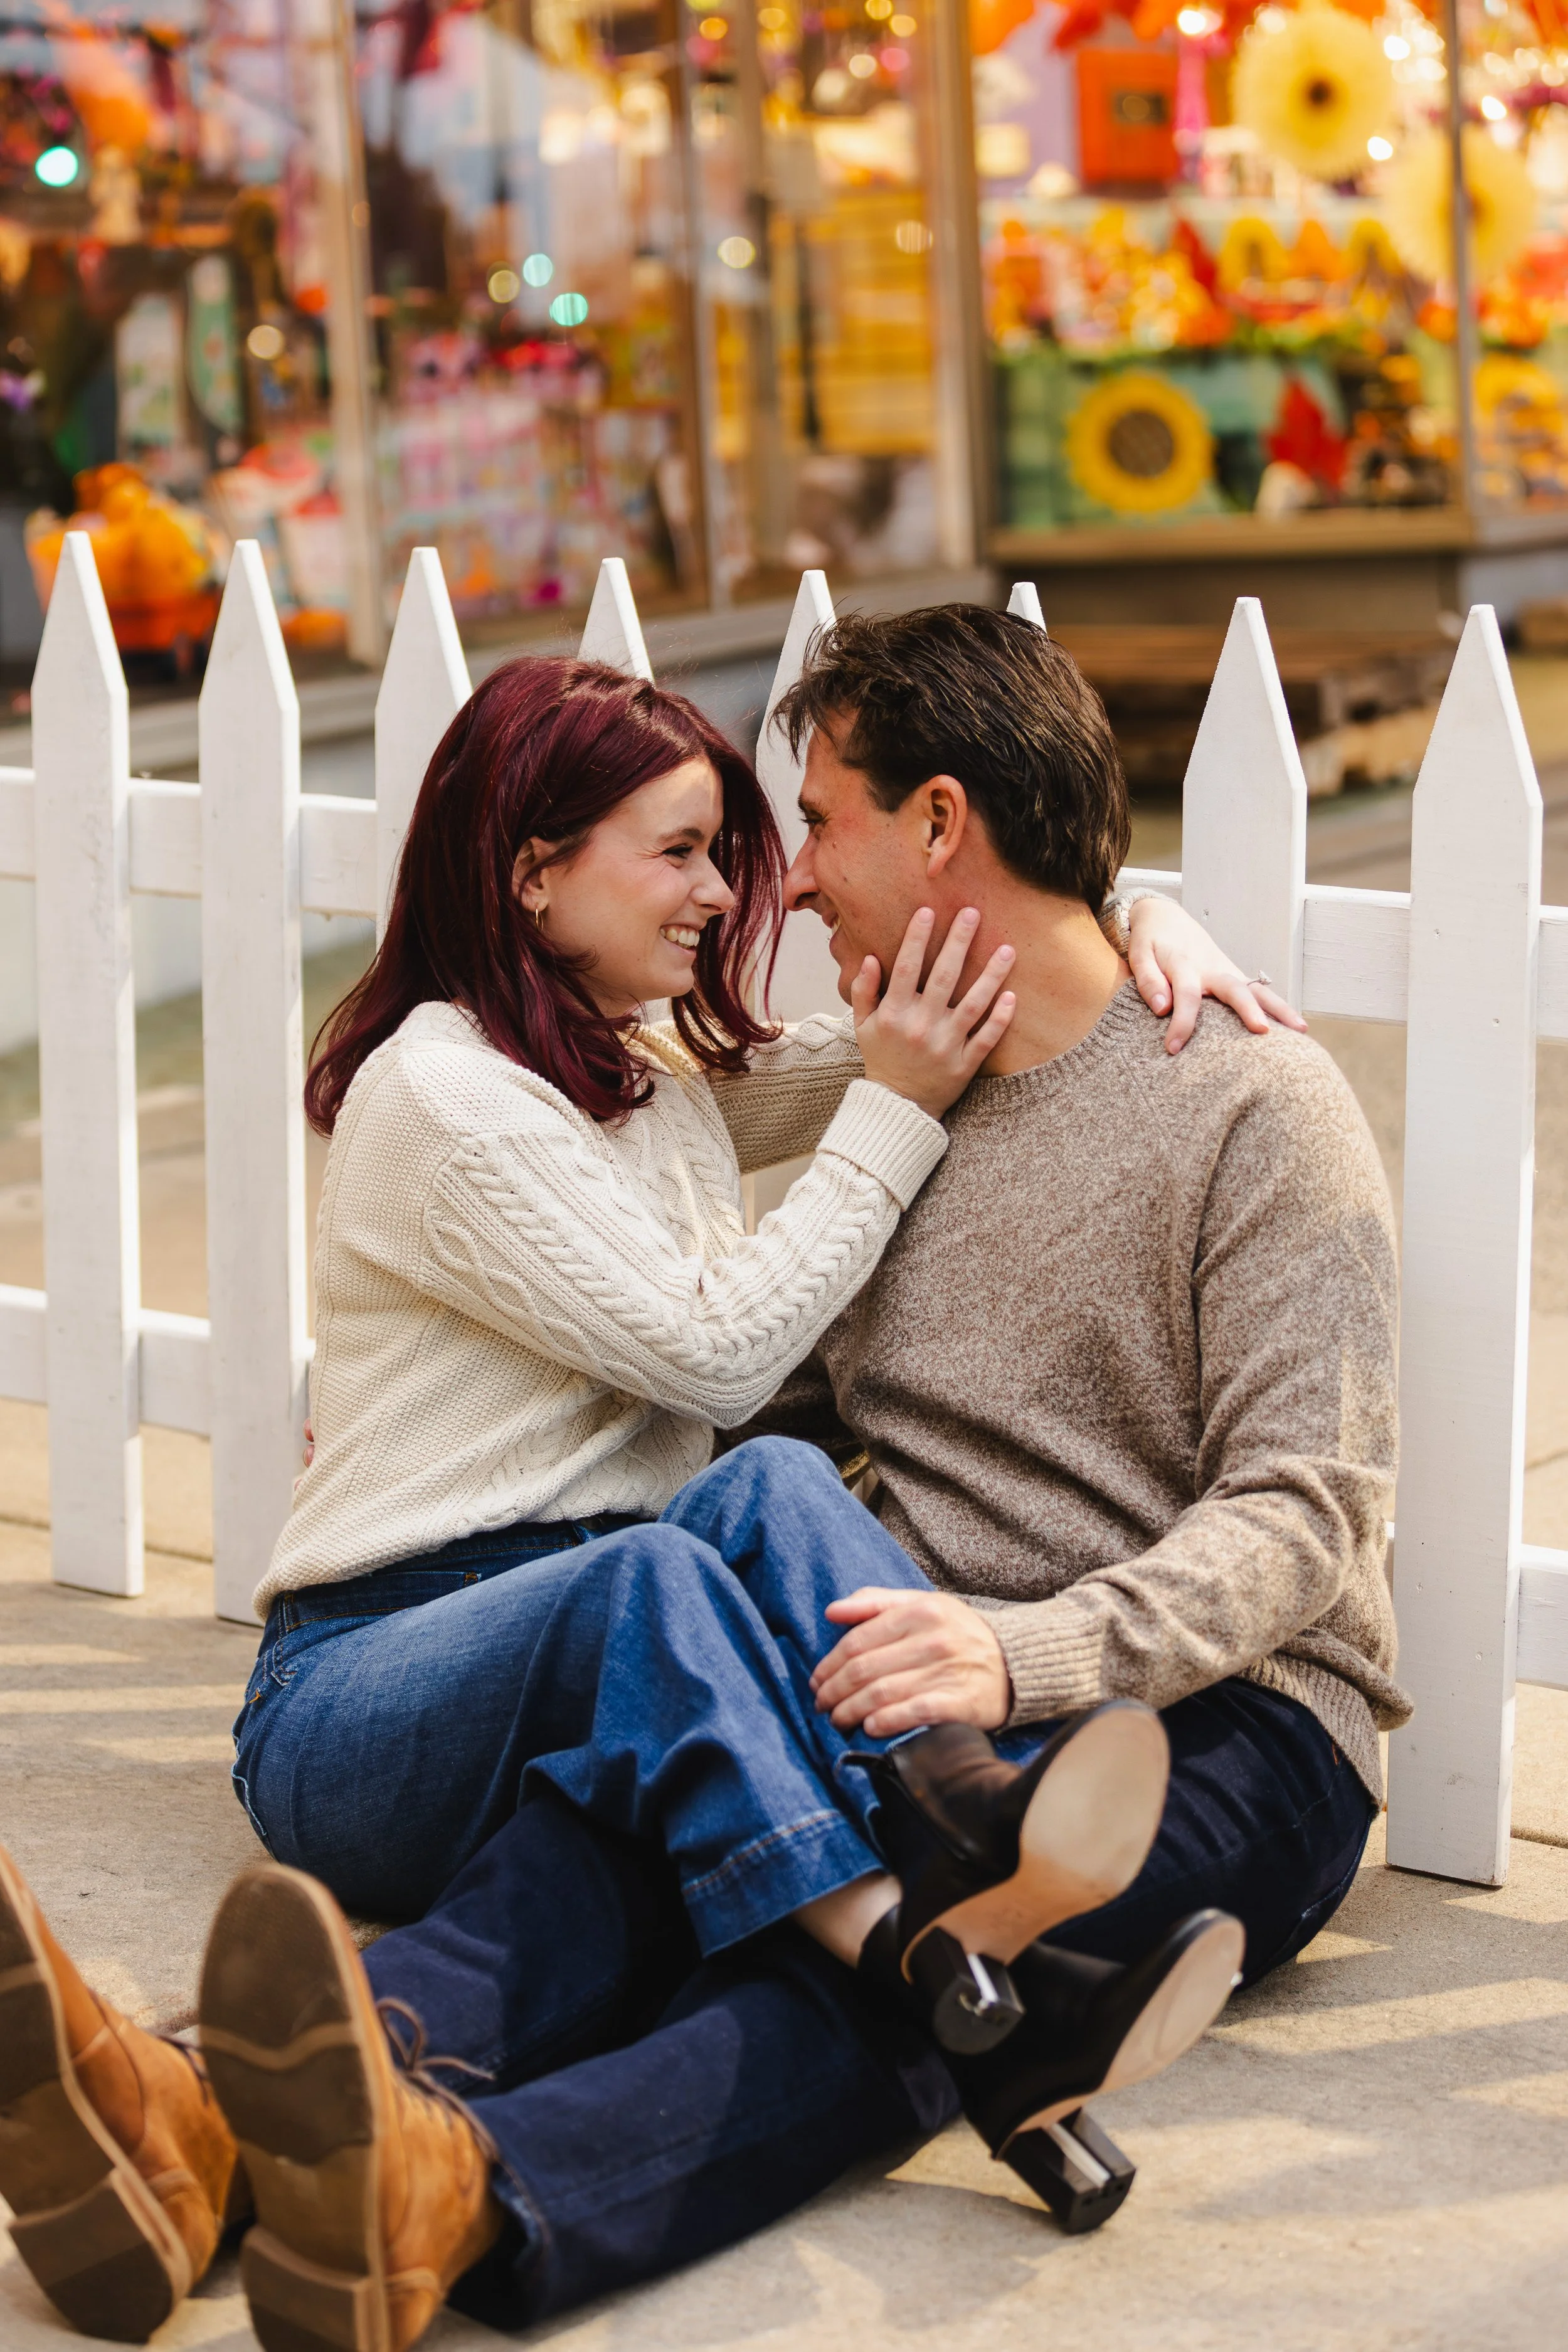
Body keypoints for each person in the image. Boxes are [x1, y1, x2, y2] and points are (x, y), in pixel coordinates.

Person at [0, 633, 1296, 2348]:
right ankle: (937, 1945)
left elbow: (987, 999)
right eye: (680, 852)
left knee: (742, 1503)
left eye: (740, 846)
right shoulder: (451, 1096)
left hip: (584, 1641)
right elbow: (717, 1342)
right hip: (371, 1683)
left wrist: (1131, 919)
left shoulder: (648, 1084)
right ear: (535, 873)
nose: (732, 892)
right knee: (668, 1561)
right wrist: (897, 1112)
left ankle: (183, 2126)